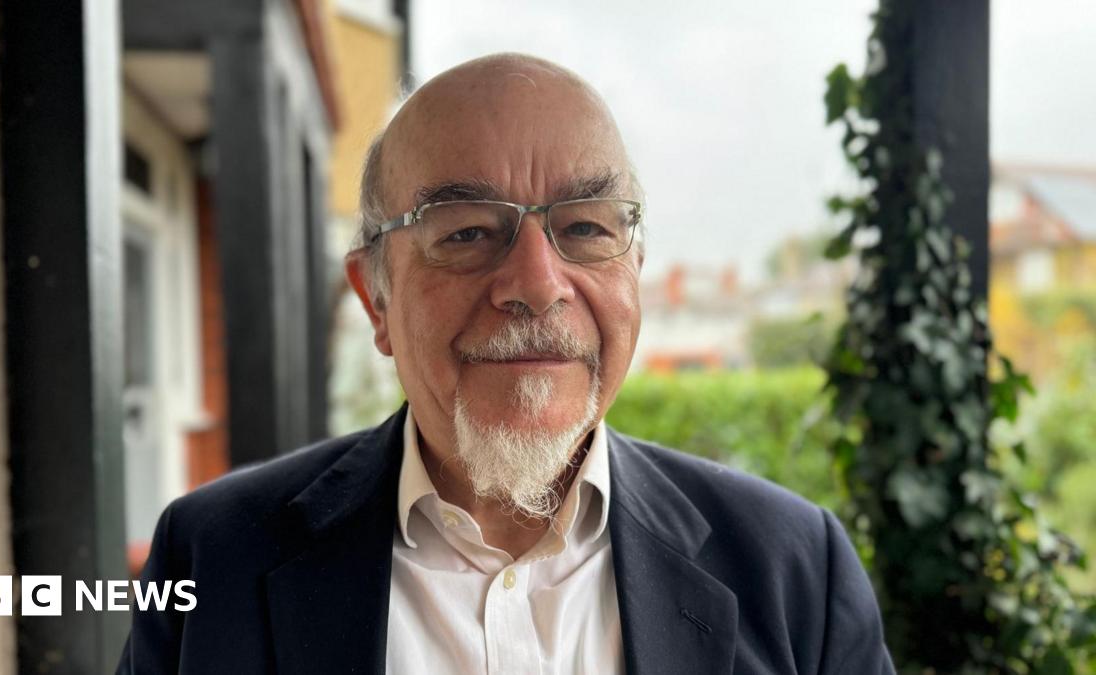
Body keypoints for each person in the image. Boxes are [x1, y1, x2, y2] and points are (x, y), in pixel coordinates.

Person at [119, 53, 896, 674]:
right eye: (463, 232)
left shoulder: (797, 571)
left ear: (636, 269)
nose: (535, 285)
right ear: (377, 298)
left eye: (588, 227)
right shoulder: (212, 557)